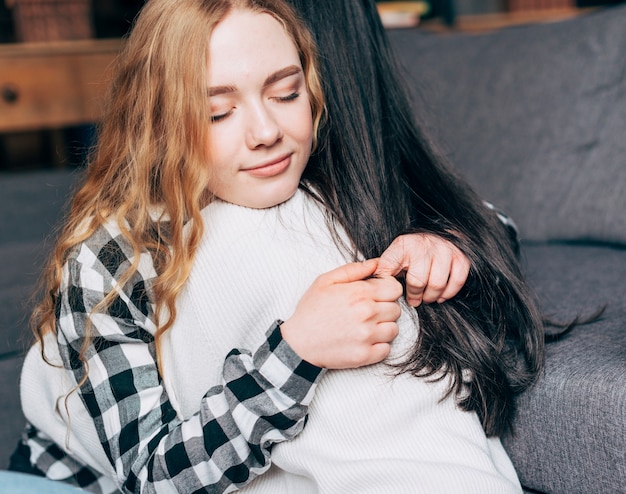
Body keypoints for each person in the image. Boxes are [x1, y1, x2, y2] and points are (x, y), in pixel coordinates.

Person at [9, 0, 484, 493]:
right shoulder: (111, 257)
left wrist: (443, 243)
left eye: (286, 93)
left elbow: (492, 220)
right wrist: (297, 351)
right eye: (217, 113)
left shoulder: (311, 173)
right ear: (161, 123)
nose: (266, 133)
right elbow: (149, 479)